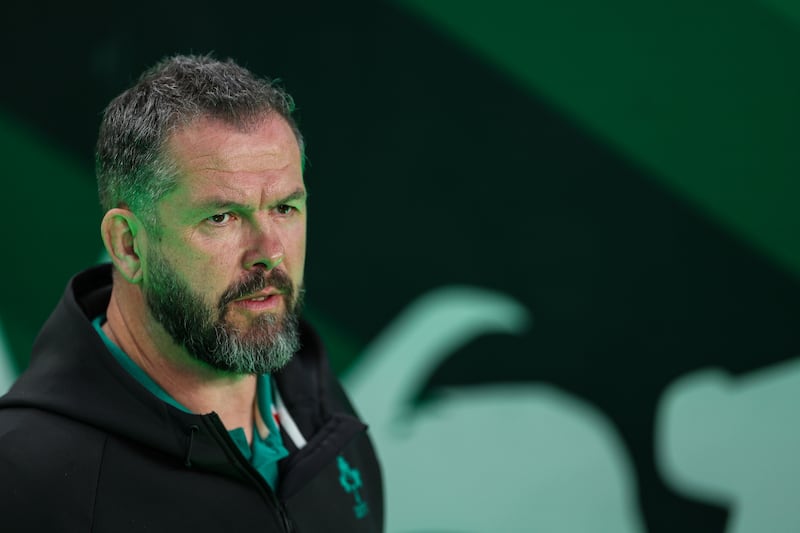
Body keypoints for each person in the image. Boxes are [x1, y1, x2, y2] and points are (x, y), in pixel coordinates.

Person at [0, 54, 383, 532]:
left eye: (284, 208)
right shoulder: (27, 481)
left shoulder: (318, 399)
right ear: (129, 245)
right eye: (221, 217)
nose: (269, 252)